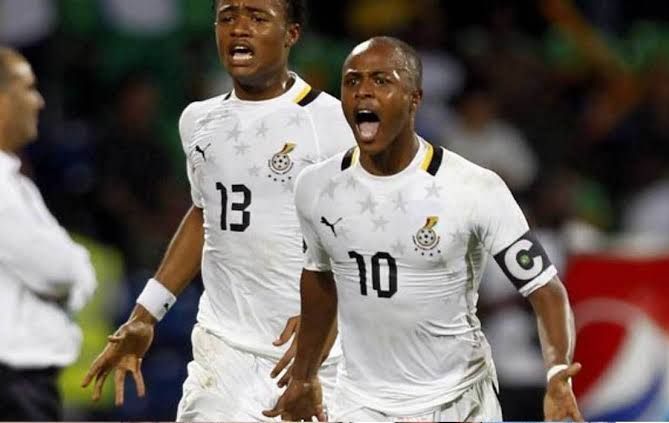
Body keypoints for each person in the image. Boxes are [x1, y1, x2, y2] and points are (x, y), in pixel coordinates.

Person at [264, 36, 584, 422]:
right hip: (361, 403)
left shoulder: (474, 187)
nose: (363, 91)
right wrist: (304, 374)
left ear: (415, 99)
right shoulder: (316, 187)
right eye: (352, 81)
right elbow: (320, 279)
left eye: (382, 81)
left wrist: (556, 373)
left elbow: (545, 289)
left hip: (458, 402)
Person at [82, 0, 353, 420]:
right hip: (222, 350)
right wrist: (145, 314)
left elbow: (365, 240)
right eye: (228, 17)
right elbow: (204, 214)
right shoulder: (198, 120)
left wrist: (325, 325)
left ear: (291, 34)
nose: (239, 29)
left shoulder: (335, 124)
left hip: (316, 360)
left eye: (257, 18)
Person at [0, 46, 97, 420]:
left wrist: (73, 273)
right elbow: (61, 271)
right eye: (28, 89)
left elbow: (73, 273)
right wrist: (73, 273)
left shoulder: (16, 182)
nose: (38, 102)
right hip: (13, 385)